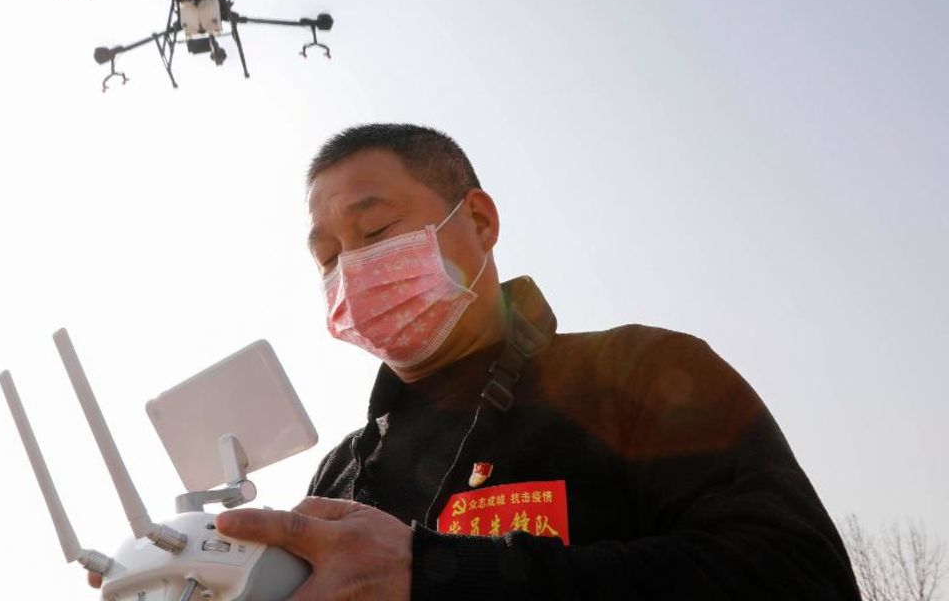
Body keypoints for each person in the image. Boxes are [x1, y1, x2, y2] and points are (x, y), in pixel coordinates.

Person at [90, 123, 861, 599]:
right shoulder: (340, 475)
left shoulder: (639, 373)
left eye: (375, 231)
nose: (349, 271)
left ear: (480, 222)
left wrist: (437, 575)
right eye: (326, 257)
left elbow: (798, 578)